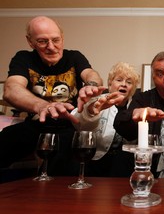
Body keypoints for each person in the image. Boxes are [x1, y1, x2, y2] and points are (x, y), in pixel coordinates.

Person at [0, 16, 104, 176]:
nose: (51, 47)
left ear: (62, 38)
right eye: (42, 41)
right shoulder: (23, 58)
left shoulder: (74, 57)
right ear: (30, 42)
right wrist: (43, 106)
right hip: (36, 125)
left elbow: (91, 74)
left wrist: (91, 86)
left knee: (69, 159)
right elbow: (11, 89)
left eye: (56, 40)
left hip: (70, 126)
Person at [72, 62, 140, 177]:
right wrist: (90, 111)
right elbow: (76, 120)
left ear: (132, 88)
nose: (124, 84)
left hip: (126, 165)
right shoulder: (98, 100)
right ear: (110, 83)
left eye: (129, 82)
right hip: (97, 162)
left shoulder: (137, 106)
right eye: (119, 80)